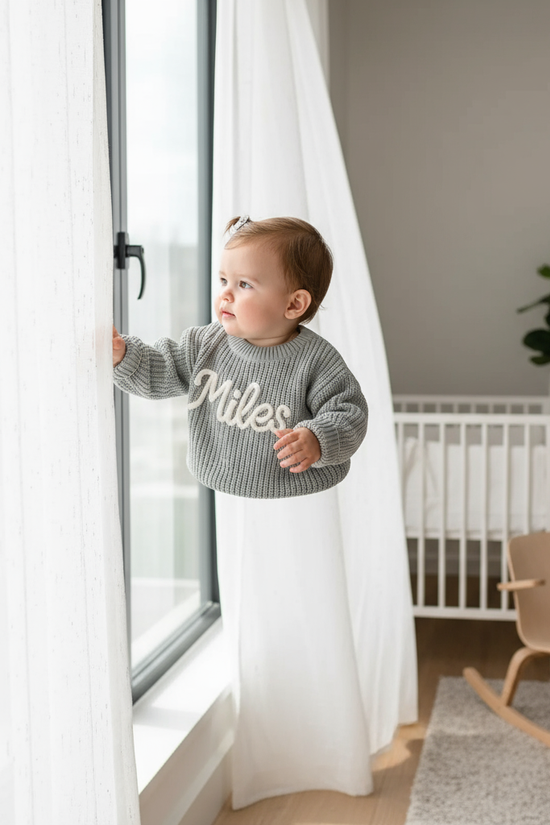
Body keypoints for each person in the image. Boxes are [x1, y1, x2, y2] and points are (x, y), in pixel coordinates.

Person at [113, 215, 368, 499]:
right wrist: (124, 356)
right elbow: (161, 368)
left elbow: (349, 413)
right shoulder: (206, 343)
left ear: (294, 304)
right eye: (224, 280)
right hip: (214, 481)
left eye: (244, 284)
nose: (225, 294)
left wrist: (318, 439)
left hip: (300, 491)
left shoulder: (318, 361)